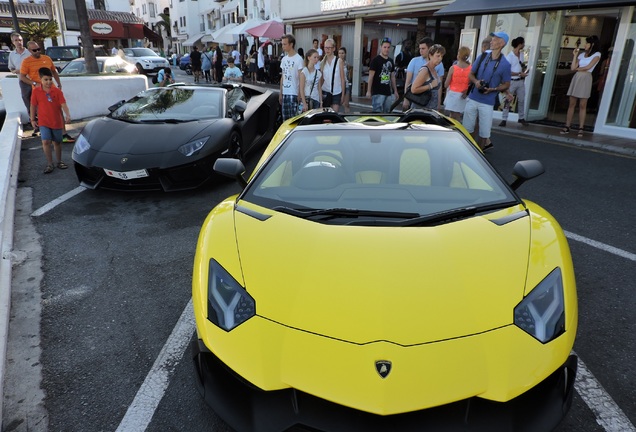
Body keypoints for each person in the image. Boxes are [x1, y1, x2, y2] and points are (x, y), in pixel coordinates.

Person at [462, 32, 511, 151]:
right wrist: (476, 82)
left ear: (501, 43)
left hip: (488, 102)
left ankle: (479, 156)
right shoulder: (483, 56)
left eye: (494, 40)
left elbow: (506, 84)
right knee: (467, 128)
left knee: (484, 132)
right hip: (473, 98)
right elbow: (471, 74)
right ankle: (467, 151)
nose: (491, 41)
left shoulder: (505, 64)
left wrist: (493, 89)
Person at [20, 41, 73, 141]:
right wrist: (35, 84)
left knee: (58, 110)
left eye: (38, 49)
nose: (37, 51)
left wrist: (59, 83)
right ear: (29, 51)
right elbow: (22, 77)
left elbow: (53, 71)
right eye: (34, 50)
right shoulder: (26, 61)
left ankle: (63, 134)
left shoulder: (47, 58)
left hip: (52, 89)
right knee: (44, 113)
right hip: (39, 91)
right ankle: (48, 136)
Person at [30, 67, 71, 174]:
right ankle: (49, 163)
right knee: (46, 141)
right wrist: (33, 119)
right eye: (45, 79)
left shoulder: (57, 92)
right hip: (43, 122)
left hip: (56, 121)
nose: (48, 82)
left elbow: (63, 104)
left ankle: (59, 161)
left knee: (57, 142)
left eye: (50, 79)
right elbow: (33, 105)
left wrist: (67, 115)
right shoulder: (36, 92)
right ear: (40, 79)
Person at [561, 35, 601, 137]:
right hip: (577, 77)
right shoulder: (582, 54)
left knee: (583, 105)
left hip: (586, 78)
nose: (585, 45)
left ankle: (581, 127)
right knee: (572, 103)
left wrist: (577, 69)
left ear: (592, 44)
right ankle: (567, 125)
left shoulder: (597, 54)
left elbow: (589, 67)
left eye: (587, 43)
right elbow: (573, 67)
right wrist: (575, 55)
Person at [402, 37, 444, 111]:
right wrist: (406, 99)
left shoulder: (437, 66)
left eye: (423, 48)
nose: (420, 51)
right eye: (438, 56)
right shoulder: (419, 64)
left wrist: (438, 103)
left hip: (431, 107)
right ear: (431, 54)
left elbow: (439, 87)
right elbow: (410, 85)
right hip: (420, 104)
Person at [499, 37, 529, 127]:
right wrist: (519, 73)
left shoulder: (522, 55)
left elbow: (521, 66)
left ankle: (521, 117)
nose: (524, 45)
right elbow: (507, 71)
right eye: (523, 43)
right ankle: (504, 118)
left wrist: (524, 72)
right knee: (508, 100)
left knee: (521, 99)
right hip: (512, 81)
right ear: (520, 44)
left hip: (520, 81)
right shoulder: (510, 56)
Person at [366, 37, 399, 113]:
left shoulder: (390, 61)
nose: (386, 49)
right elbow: (371, 76)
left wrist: (395, 91)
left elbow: (392, 77)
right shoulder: (375, 60)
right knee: (377, 113)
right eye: (384, 47)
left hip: (388, 92)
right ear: (381, 47)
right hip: (378, 92)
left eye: (388, 47)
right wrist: (368, 91)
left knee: (387, 113)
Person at [8, 32, 33, 129]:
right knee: (27, 100)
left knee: (37, 100)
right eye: (16, 40)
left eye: (20, 40)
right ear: (12, 42)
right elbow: (11, 68)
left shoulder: (29, 53)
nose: (19, 42)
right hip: (23, 81)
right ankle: (33, 121)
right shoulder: (12, 55)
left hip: (33, 79)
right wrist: (17, 71)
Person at [279, 33, 303, 121]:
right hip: (285, 92)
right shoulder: (284, 59)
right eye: (282, 44)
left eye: (285, 44)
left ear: (291, 44)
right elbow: (282, 77)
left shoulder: (299, 59)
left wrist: (300, 94)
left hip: (294, 93)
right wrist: (281, 92)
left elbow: (301, 78)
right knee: (285, 120)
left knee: (294, 120)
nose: (283, 46)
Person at [443, 46, 471, 120]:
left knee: (452, 116)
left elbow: (446, 84)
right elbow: (471, 83)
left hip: (453, 94)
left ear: (458, 55)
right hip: (463, 95)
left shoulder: (453, 68)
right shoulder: (471, 68)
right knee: (458, 116)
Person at [319, 38, 346, 112]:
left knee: (334, 114)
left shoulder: (339, 61)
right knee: (325, 115)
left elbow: (342, 79)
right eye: (325, 48)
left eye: (329, 48)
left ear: (333, 49)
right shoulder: (322, 62)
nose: (327, 50)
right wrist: (319, 93)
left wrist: (343, 95)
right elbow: (321, 79)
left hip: (336, 91)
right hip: (325, 91)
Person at [338, 47, 352, 113]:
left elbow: (348, 75)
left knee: (346, 104)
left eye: (342, 53)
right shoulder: (336, 63)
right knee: (337, 103)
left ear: (345, 54)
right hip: (338, 85)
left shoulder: (346, 63)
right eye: (339, 53)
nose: (341, 55)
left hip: (346, 84)